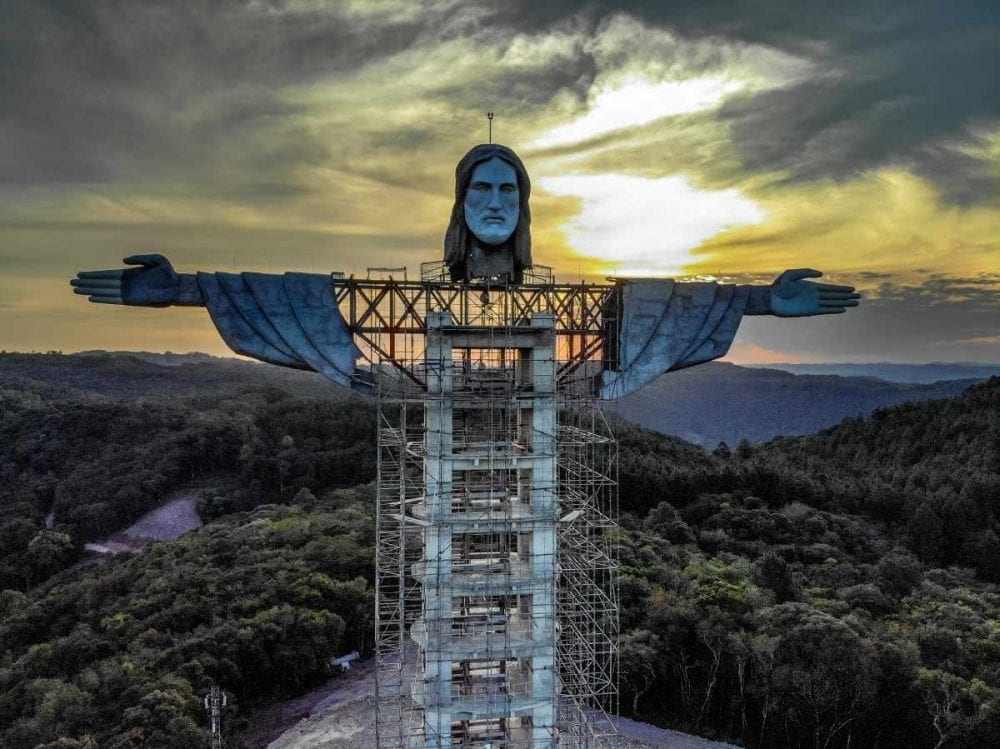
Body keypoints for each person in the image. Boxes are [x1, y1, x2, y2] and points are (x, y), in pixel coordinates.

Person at [70, 144, 860, 397]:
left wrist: (762, 298)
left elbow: (665, 304)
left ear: (525, 205)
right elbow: (294, 298)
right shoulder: (397, 298)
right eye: (479, 189)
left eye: (508, 190)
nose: (493, 203)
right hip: (443, 420)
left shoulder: (581, 300)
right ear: (460, 202)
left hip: (532, 424)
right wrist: (181, 288)